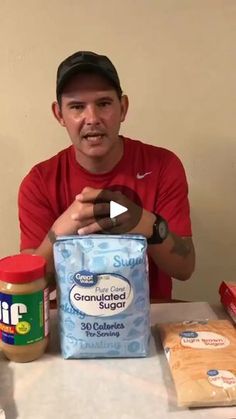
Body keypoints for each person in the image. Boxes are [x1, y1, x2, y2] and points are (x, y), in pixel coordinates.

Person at [18, 51, 195, 300]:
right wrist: (61, 229)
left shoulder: (163, 165)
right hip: (77, 324)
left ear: (122, 108)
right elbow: (31, 288)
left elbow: (184, 268)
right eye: (77, 107)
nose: (92, 119)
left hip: (144, 320)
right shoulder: (39, 182)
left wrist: (143, 222)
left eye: (103, 104)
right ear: (59, 115)